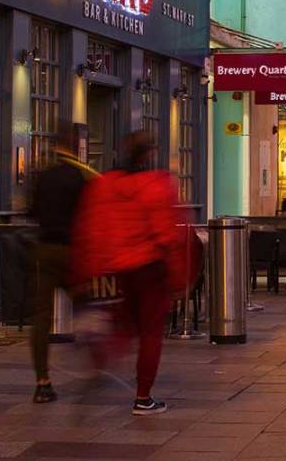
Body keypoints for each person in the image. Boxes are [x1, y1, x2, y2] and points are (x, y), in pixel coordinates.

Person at [71, 131, 185, 416]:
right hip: (151, 268)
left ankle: (100, 356)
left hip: (120, 268)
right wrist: (178, 274)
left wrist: (86, 271)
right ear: (149, 153)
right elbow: (167, 233)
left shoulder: (104, 185)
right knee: (150, 333)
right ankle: (143, 397)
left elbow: (91, 229)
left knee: (124, 324)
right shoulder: (156, 185)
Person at [27, 122, 96, 403]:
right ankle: (92, 365)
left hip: (45, 249)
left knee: (41, 317)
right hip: (73, 252)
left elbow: (31, 211)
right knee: (87, 306)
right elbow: (90, 217)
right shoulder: (81, 177)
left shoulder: (42, 176)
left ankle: (42, 381)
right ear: (75, 145)